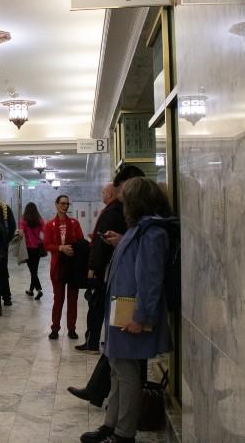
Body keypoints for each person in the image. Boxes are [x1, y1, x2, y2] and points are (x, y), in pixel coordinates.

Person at [80, 177, 174, 443]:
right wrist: (120, 241)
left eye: (125, 201)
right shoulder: (139, 230)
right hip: (120, 311)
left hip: (131, 314)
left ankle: (123, 434)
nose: (122, 207)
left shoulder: (153, 232)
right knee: (116, 369)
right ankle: (111, 425)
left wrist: (140, 317)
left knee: (127, 373)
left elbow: (150, 279)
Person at [68, 166, 146, 405]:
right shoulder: (122, 213)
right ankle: (102, 393)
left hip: (125, 289)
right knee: (117, 349)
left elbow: (146, 269)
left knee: (120, 348)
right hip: (119, 283)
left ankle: (114, 404)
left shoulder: (124, 215)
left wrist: (93, 269)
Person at [44, 194, 84, 339]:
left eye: (67, 204)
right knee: (58, 299)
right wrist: (60, 248)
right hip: (58, 266)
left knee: (73, 299)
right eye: (62, 203)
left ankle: (71, 329)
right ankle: (55, 328)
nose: (65, 206)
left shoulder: (74, 223)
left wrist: (74, 248)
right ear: (56, 204)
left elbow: (81, 242)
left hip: (73, 266)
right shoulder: (49, 225)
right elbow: (47, 244)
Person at [18, 202, 45, 300]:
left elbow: (20, 234)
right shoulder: (40, 220)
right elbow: (44, 232)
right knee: (34, 270)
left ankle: (39, 290)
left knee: (33, 271)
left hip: (28, 249)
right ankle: (30, 290)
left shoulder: (23, 221)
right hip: (37, 248)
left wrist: (21, 232)